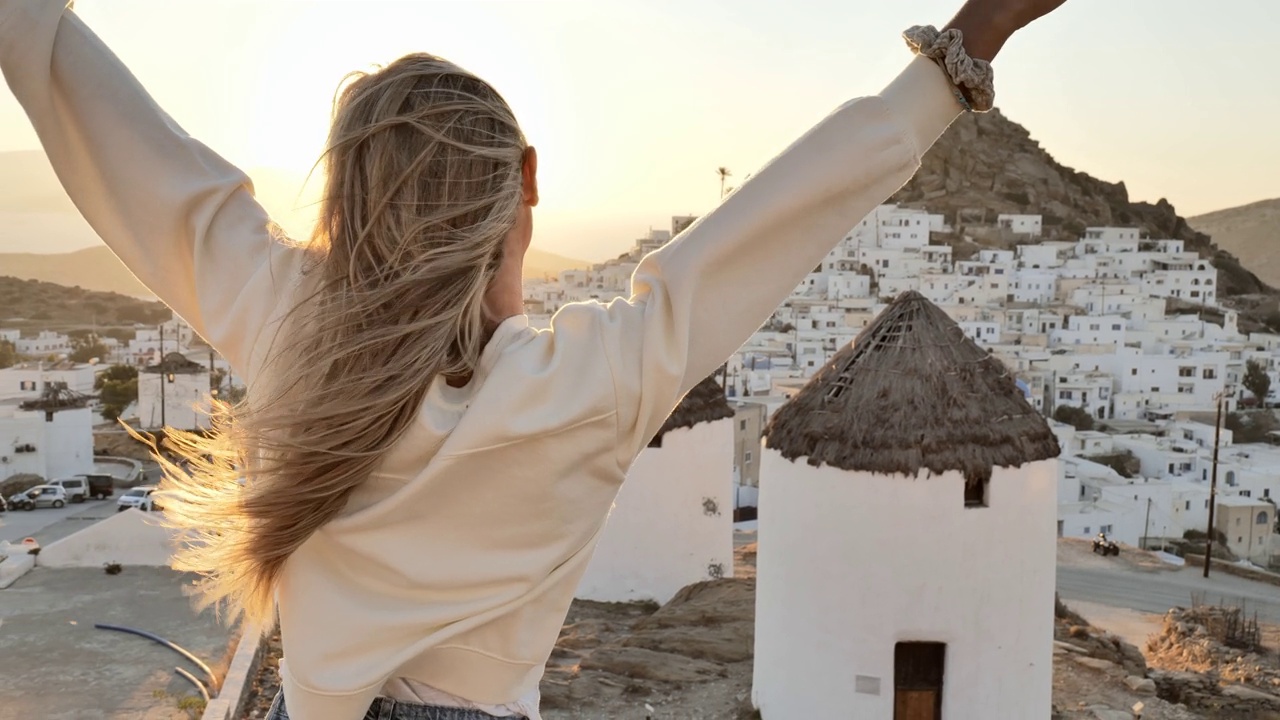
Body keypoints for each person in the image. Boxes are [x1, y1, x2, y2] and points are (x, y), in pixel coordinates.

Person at [0, 0, 1069, 718]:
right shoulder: (591, 378)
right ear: (528, 182)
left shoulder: (283, 318)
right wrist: (966, 42)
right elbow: (781, 216)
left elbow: (79, 102)